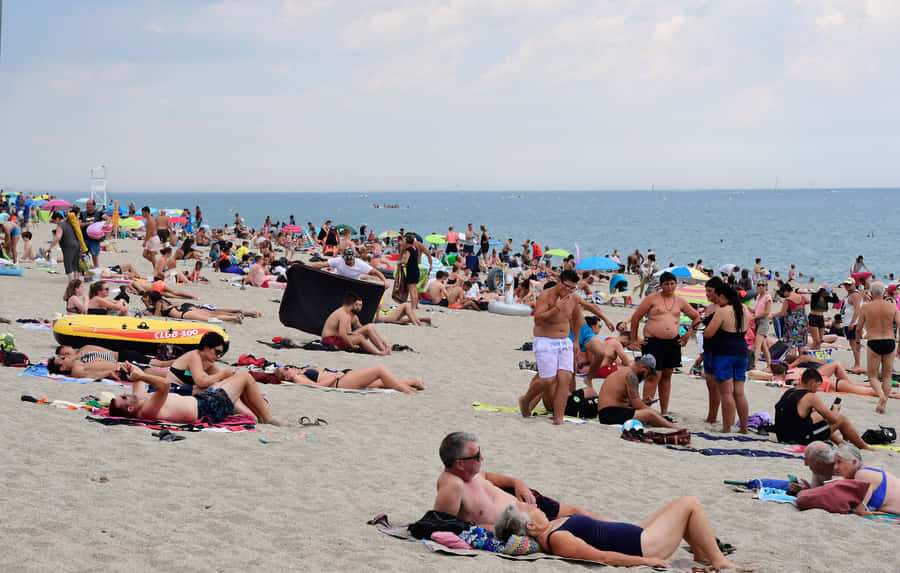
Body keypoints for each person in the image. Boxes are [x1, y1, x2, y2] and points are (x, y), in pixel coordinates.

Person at [494, 499, 751, 571]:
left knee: (679, 510)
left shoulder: (551, 525)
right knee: (689, 504)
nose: (534, 505)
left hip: (636, 533)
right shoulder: (557, 539)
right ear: (530, 527)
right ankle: (719, 562)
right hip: (642, 548)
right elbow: (602, 557)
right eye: (528, 508)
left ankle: (703, 555)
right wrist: (646, 562)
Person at [433, 432, 601, 527]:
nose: (482, 458)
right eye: (476, 456)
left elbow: (489, 476)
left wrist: (517, 483)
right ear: (460, 464)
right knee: (580, 524)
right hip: (529, 523)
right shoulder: (453, 485)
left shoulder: (472, 475)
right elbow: (445, 525)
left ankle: (618, 526)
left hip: (526, 500)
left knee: (578, 512)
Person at [109, 362, 287, 425]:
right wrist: (142, 375)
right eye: (124, 397)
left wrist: (133, 369)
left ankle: (257, 413)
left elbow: (139, 380)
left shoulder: (139, 401)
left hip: (203, 400)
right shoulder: (146, 410)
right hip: (207, 407)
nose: (126, 394)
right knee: (245, 377)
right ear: (130, 408)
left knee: (229, 384)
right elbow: (164, 385)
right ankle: (268, 418)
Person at [629, 271, 701, 414]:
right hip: (653, 341)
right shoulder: (652, 299)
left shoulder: (680, 301)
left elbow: (696, 317)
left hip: (673, 343)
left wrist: (688, 335)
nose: (669, 287)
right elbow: (636, 318)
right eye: (666, 284)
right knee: (653, 375)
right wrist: (634, 339)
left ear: (676, 284)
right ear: (661, 285)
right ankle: (646, 409)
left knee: (667, 376)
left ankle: (664, 411)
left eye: (672, 283)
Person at [518, 270, 582, 424]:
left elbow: (577, 319)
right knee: (548, 379)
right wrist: (556, 309)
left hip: (564, 341)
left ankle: (558, 418)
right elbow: (538, 320)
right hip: (545, 340)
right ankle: (526, 400)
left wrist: (576, 341)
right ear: (559, 281)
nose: (568, 291)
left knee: (564, 378)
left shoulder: (572, 298)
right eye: (566, 286)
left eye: (572, 288)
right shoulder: (546, 296)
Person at [773, 368, 870, 449]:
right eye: (817, 385)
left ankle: (842, 443)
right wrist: (836, 408)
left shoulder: (790, 392)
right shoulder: (811, 396)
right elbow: (834, 419)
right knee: (841, 419)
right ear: (812, 382)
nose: (818, 389)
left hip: (782, 436)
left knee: (819, 417)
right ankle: (864, 447)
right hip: (799, 439)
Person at [704, 282, 751, 433]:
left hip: (724, 353)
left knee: (726, 393)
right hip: (742, 351)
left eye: (717, 297)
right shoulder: (744, 309)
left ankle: (726, 427)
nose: (716, 300)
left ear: (723, 296)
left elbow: (708, 333)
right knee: (740, 392)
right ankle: (743, 427)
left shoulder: (723, 311)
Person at [595, 356, 683, 428]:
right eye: (648, 374)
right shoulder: (631, 376)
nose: (646, 377)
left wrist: (643, 402)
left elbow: (626, 401)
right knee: (650, 414)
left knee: (650, 413)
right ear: (644, 367)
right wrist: (656, 413)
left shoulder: (625, 372)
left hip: (608, 413)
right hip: (610, 414)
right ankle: (676, 428)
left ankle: (666, 423)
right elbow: (637, 405)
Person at [855, 281, 900, 413]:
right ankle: (883, 403)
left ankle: (881, 397)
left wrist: (858, 342)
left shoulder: (866, 307)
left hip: (874, 341)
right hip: (890, 341)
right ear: (884, 293)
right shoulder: (892, 307)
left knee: (873, 376)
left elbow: (858, 328)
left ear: (871, 293)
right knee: (887, 376)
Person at [833, 444, 900, 515]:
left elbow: (859, 511)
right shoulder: (866, 470)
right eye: (835, 463)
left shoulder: (862, 474)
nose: (835, 467)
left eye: (839, 462)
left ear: (854, 462)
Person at [321, 291, 391, 355]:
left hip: (337, 337)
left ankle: (383, 348)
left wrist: (381, 340)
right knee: (359, 338)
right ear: (352, 304)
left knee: (369, 327)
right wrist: (352, 346)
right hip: (330, 340)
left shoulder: (352, 316)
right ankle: (379, 352)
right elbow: (342, 334)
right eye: (356, 304)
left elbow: (364, 330)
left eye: (360, 305)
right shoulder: (344, 314)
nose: (358, 307)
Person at [276, 364, 424, 393]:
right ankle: (409, 392)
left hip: (343, 377)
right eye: (286, 369)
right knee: (379, 370)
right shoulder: (297, 378)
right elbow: (318, 387)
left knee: (379, 383)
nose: (290, 368)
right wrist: (335, 375)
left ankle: (413, 383)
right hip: (340, 382)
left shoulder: (300, 372)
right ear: (286, 376)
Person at [141, 291, 251, 323]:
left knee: (209, 318)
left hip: (184, 314)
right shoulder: (164, 300)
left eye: (145, 300)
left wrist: (147, 308)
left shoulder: (159, 303)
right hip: (185, 308)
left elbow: (156, 317)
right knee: (212, 313)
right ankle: (234, 315)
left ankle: (233, 317)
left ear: (150, 299)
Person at [308, 247, 386, 285]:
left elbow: (375, 271)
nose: (348, 261)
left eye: (350, 259)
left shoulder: (360, 263)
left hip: (353, 282)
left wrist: (385, 281)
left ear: (353, 258)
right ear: (343, 258)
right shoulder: (339, 260)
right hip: (338, 279)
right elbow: (322, 264)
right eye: (347, 259)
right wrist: (307, 265)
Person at [399, 233, 432, 310]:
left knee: (409, 288)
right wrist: (430, 264)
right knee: (416, 289)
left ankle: (408, 305)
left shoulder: (406, 247)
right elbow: (428, 254)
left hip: (411, 269)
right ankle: (415, 305)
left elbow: (401, 255)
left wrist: (399, 263)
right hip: (418, 267)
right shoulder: (418, 246)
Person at [773, 283, 808, 353]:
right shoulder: (802, 297)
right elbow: (808, 301)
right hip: (803, 323)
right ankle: (801, 361)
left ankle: (792, 361)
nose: (784, 295)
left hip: (793, 326)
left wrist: (773, 315)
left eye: (783, 293)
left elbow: (782, 313)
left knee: (792, 345)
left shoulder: (788, 300)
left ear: (786, 291)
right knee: (801, 345)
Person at [48, 211, 81, 281]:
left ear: (57, 219)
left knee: (68, 265)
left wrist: (50, 247)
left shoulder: (60, 226)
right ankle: (76, 281)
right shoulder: (69, 223)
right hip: (77, 245)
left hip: (69, 247)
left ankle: (72, 282)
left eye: (55, 221)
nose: (55, 223)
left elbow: (57, 237)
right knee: (75, 265)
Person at [750, 279, 772, 371]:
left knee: (757, 344)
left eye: (763, 285)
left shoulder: (768, 297)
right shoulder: (758, 296)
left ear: (766, 287)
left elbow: (767, 312)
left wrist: (755, 317)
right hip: (758, 321)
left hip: (763, 321)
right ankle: (770, 365)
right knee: (763, 346)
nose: (760, 286)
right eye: (759, 285)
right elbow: (757, 310)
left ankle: (753, 365)